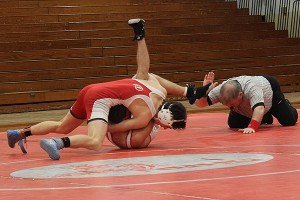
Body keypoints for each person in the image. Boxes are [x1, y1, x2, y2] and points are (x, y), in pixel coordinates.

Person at [7, 19, 208, 160]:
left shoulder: (157, 88)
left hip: (91, 89)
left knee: (63, 124)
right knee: (95, 141)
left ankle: (20, 133)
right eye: (168, 126)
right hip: (99, 99)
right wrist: (104, 124)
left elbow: (143, 66)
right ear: (166, 120)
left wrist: (141, 37)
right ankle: (57, 143)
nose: (166, 129)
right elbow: (110, 130)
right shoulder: (144, 116)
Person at [188, 72, 298, 134]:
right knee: (234, 124)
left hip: (270, 94)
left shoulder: (252, 88)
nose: (230, 108)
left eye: (232, 105)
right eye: (228, 106)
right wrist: (204, 91)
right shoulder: (220, 90)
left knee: (289, 120)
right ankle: (265, 117)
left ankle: (283, 105)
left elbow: (259, 108)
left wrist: (252, 127)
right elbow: (200, 104)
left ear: (241, 94)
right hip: (253, 105)